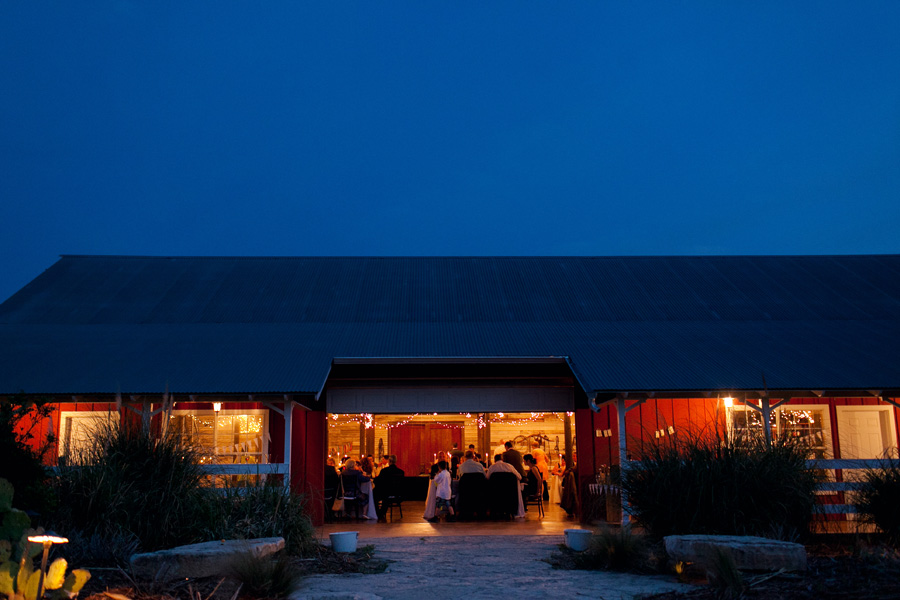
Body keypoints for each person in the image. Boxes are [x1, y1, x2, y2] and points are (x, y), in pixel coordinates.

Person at [374, 454, 405, 520]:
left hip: (385, 493)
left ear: (389, 461)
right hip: (397, 494)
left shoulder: (384, 471)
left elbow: (378, 481)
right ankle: (382, 512)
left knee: (374, 494)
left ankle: (378, 513)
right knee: (386, 495)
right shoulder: (401, 472)